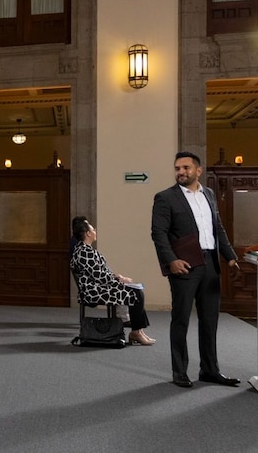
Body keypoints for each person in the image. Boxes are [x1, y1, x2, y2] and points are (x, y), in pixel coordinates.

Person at [151, 151, 241, 389]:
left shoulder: (208, 194)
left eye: (186, 168)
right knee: (180, 319)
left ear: (198, 171)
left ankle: (210, 370)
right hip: (185, 265)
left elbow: (217, 228)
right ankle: (179, 372)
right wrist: (171, 260)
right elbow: (158, 233)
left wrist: (230, 257)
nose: (181, 172)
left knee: (210, 320)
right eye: (177, 168)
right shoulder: (165, 198)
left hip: (211, 263)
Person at [71, 216, 155, 345]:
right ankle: (136, 332)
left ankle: (139, 331)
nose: (95, 231)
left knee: (136, 290)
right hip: (94, 291)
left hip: (100, 286)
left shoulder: (86, 250)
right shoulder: (84, 252)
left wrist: (118, 278)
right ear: (88, 233)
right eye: (93, 229)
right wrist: (120, 281)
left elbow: (101, 273)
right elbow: (100, 277)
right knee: (136, 293)